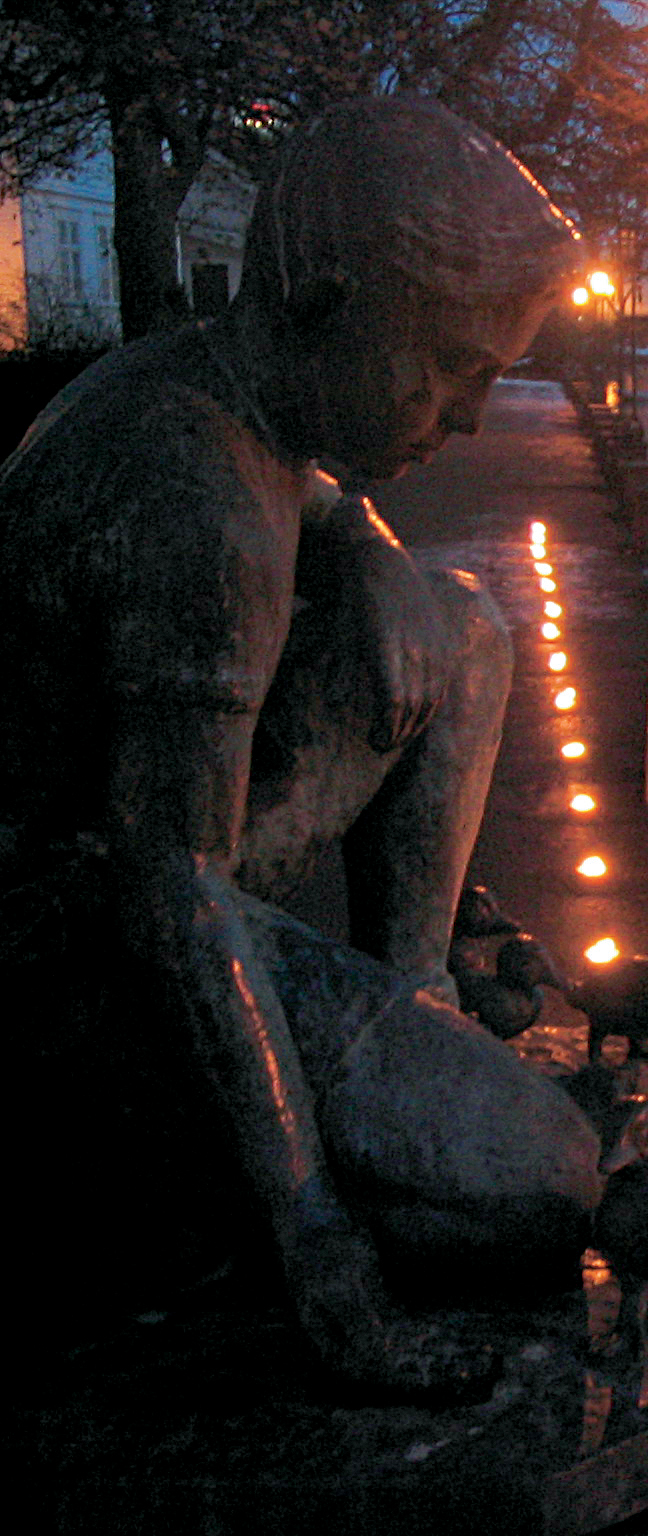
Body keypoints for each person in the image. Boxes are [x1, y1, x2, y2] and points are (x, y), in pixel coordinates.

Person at [0, 98, 599, 1400]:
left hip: (134, 866)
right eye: (453, 368)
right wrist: (316, 1241)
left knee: (461, 625)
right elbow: (174, 896)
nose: (473, 417)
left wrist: (369, 549)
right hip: (74, 966)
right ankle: (239, 1188)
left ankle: (412, 997)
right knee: (547, 1181)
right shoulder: (199, 511)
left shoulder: (221, 392)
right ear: (331, 303)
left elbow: (319, 496)